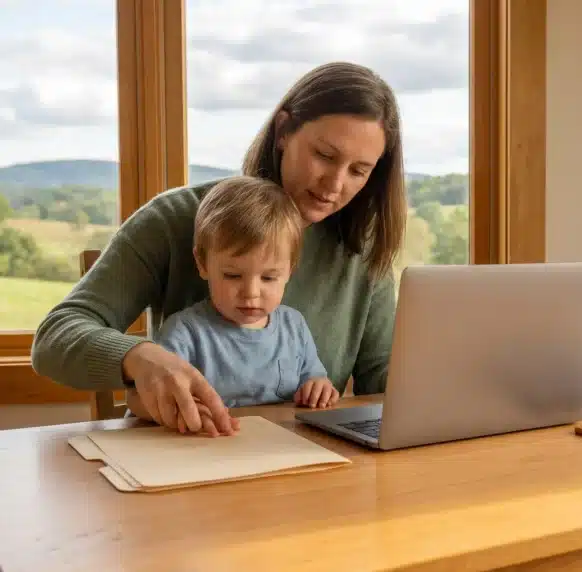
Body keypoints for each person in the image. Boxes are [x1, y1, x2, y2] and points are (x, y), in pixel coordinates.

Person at [31, 61, 406, 437]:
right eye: (324, 155)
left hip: (308, 462)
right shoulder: (174, 219)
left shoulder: (362, 244)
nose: (335, 184)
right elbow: (55, 338)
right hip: (194, 453)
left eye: (358, 170)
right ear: (283, 132)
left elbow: (384, 379)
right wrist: (140, 358)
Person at [124, 176, 342, 434]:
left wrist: (320, 388)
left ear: (290, 270)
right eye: (232, 275)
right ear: (203, 264)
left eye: (269, 278)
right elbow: (137, 400)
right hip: (206, 448)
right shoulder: (186, 331)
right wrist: (177, 408)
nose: (250, 293)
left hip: (275, 449)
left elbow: (316, 380)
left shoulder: (294, 326)